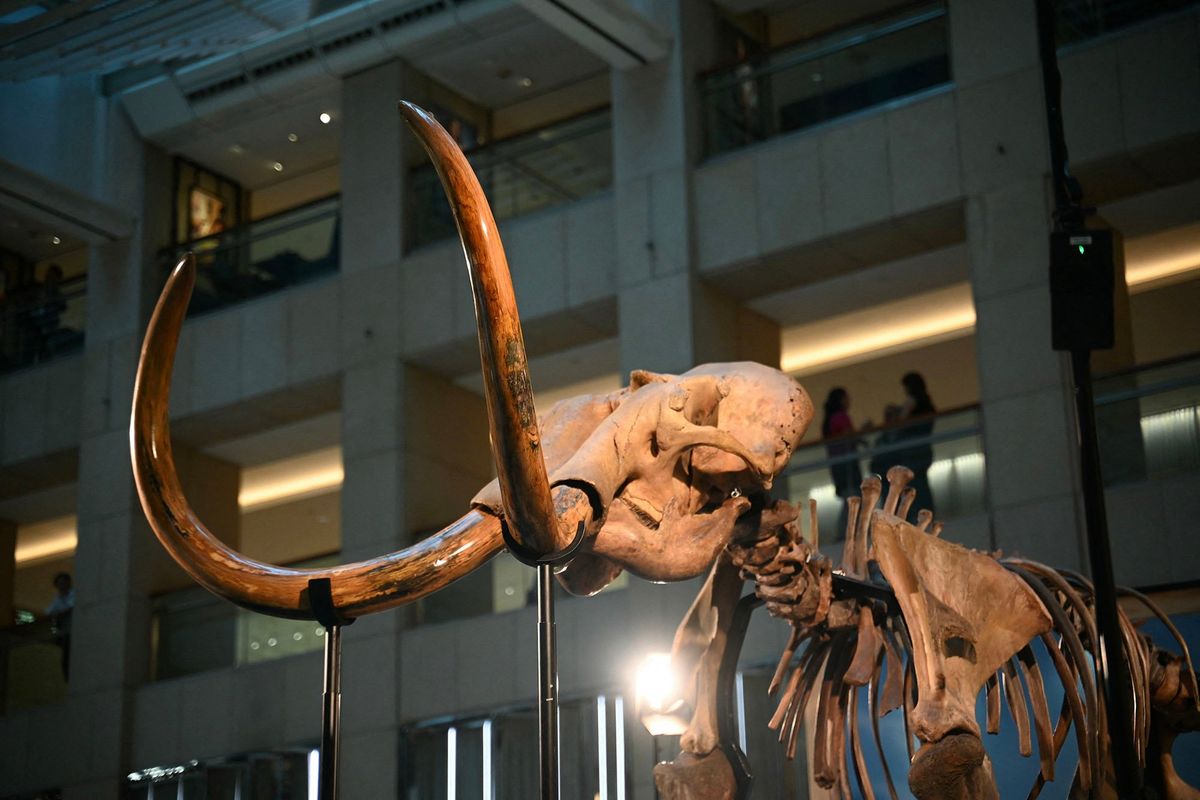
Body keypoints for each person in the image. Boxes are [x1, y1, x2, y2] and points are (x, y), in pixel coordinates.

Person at [822, 388, 866, 539]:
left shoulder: (830, 420)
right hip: (847, 464)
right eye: (847, 398)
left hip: (838, 465)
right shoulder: (840, 417)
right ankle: (846, 534)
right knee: (853, 498)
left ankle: (846, 534)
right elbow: (849, 436)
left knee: (849, 499)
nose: (849, 401)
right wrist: (863, 431)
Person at [892, 372, 936, 519]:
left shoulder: (913, 401)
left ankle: (916, 515)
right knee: (922, 483)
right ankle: (927, 514)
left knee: (915, 485)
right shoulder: (927, 401)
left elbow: (901, 421)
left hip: (913, 451)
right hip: (923, 448)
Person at [45, 572, 74, 680]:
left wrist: (60, 612)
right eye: (59, 583)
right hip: (65, 631)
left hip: (72, 630)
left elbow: (70, 607)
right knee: (65, 654)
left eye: (63, 583)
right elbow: (49, 612)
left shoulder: (74, 594)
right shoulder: (58, 598)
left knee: (70, 652)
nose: (62, 585)